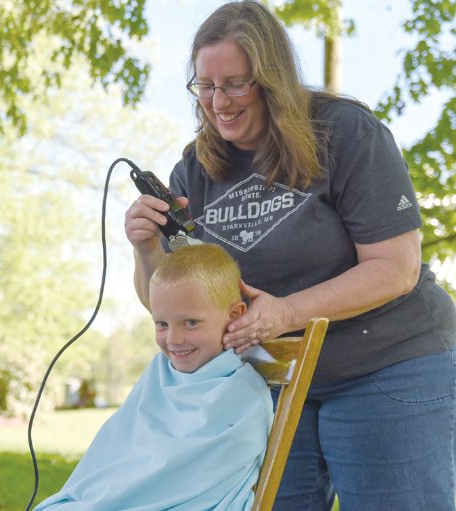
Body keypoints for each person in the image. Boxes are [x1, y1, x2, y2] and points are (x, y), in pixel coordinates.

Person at [124, 2, 456, 510]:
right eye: (206, 86)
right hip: (274, 381)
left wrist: (285, 312)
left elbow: (396, 269)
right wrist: (146, 248)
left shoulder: (345, 133)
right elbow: (175, 305)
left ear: (272, 79)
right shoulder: (196, 168)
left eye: (236, 84)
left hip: (388, 365)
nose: (219, 102)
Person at [34, 244, 273, 510]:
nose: (173, 339)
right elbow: (121, 454)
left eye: (191, 322)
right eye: (161, 324)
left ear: (234, 315)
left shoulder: (243, 396)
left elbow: (186, 478)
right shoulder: (160, 373)